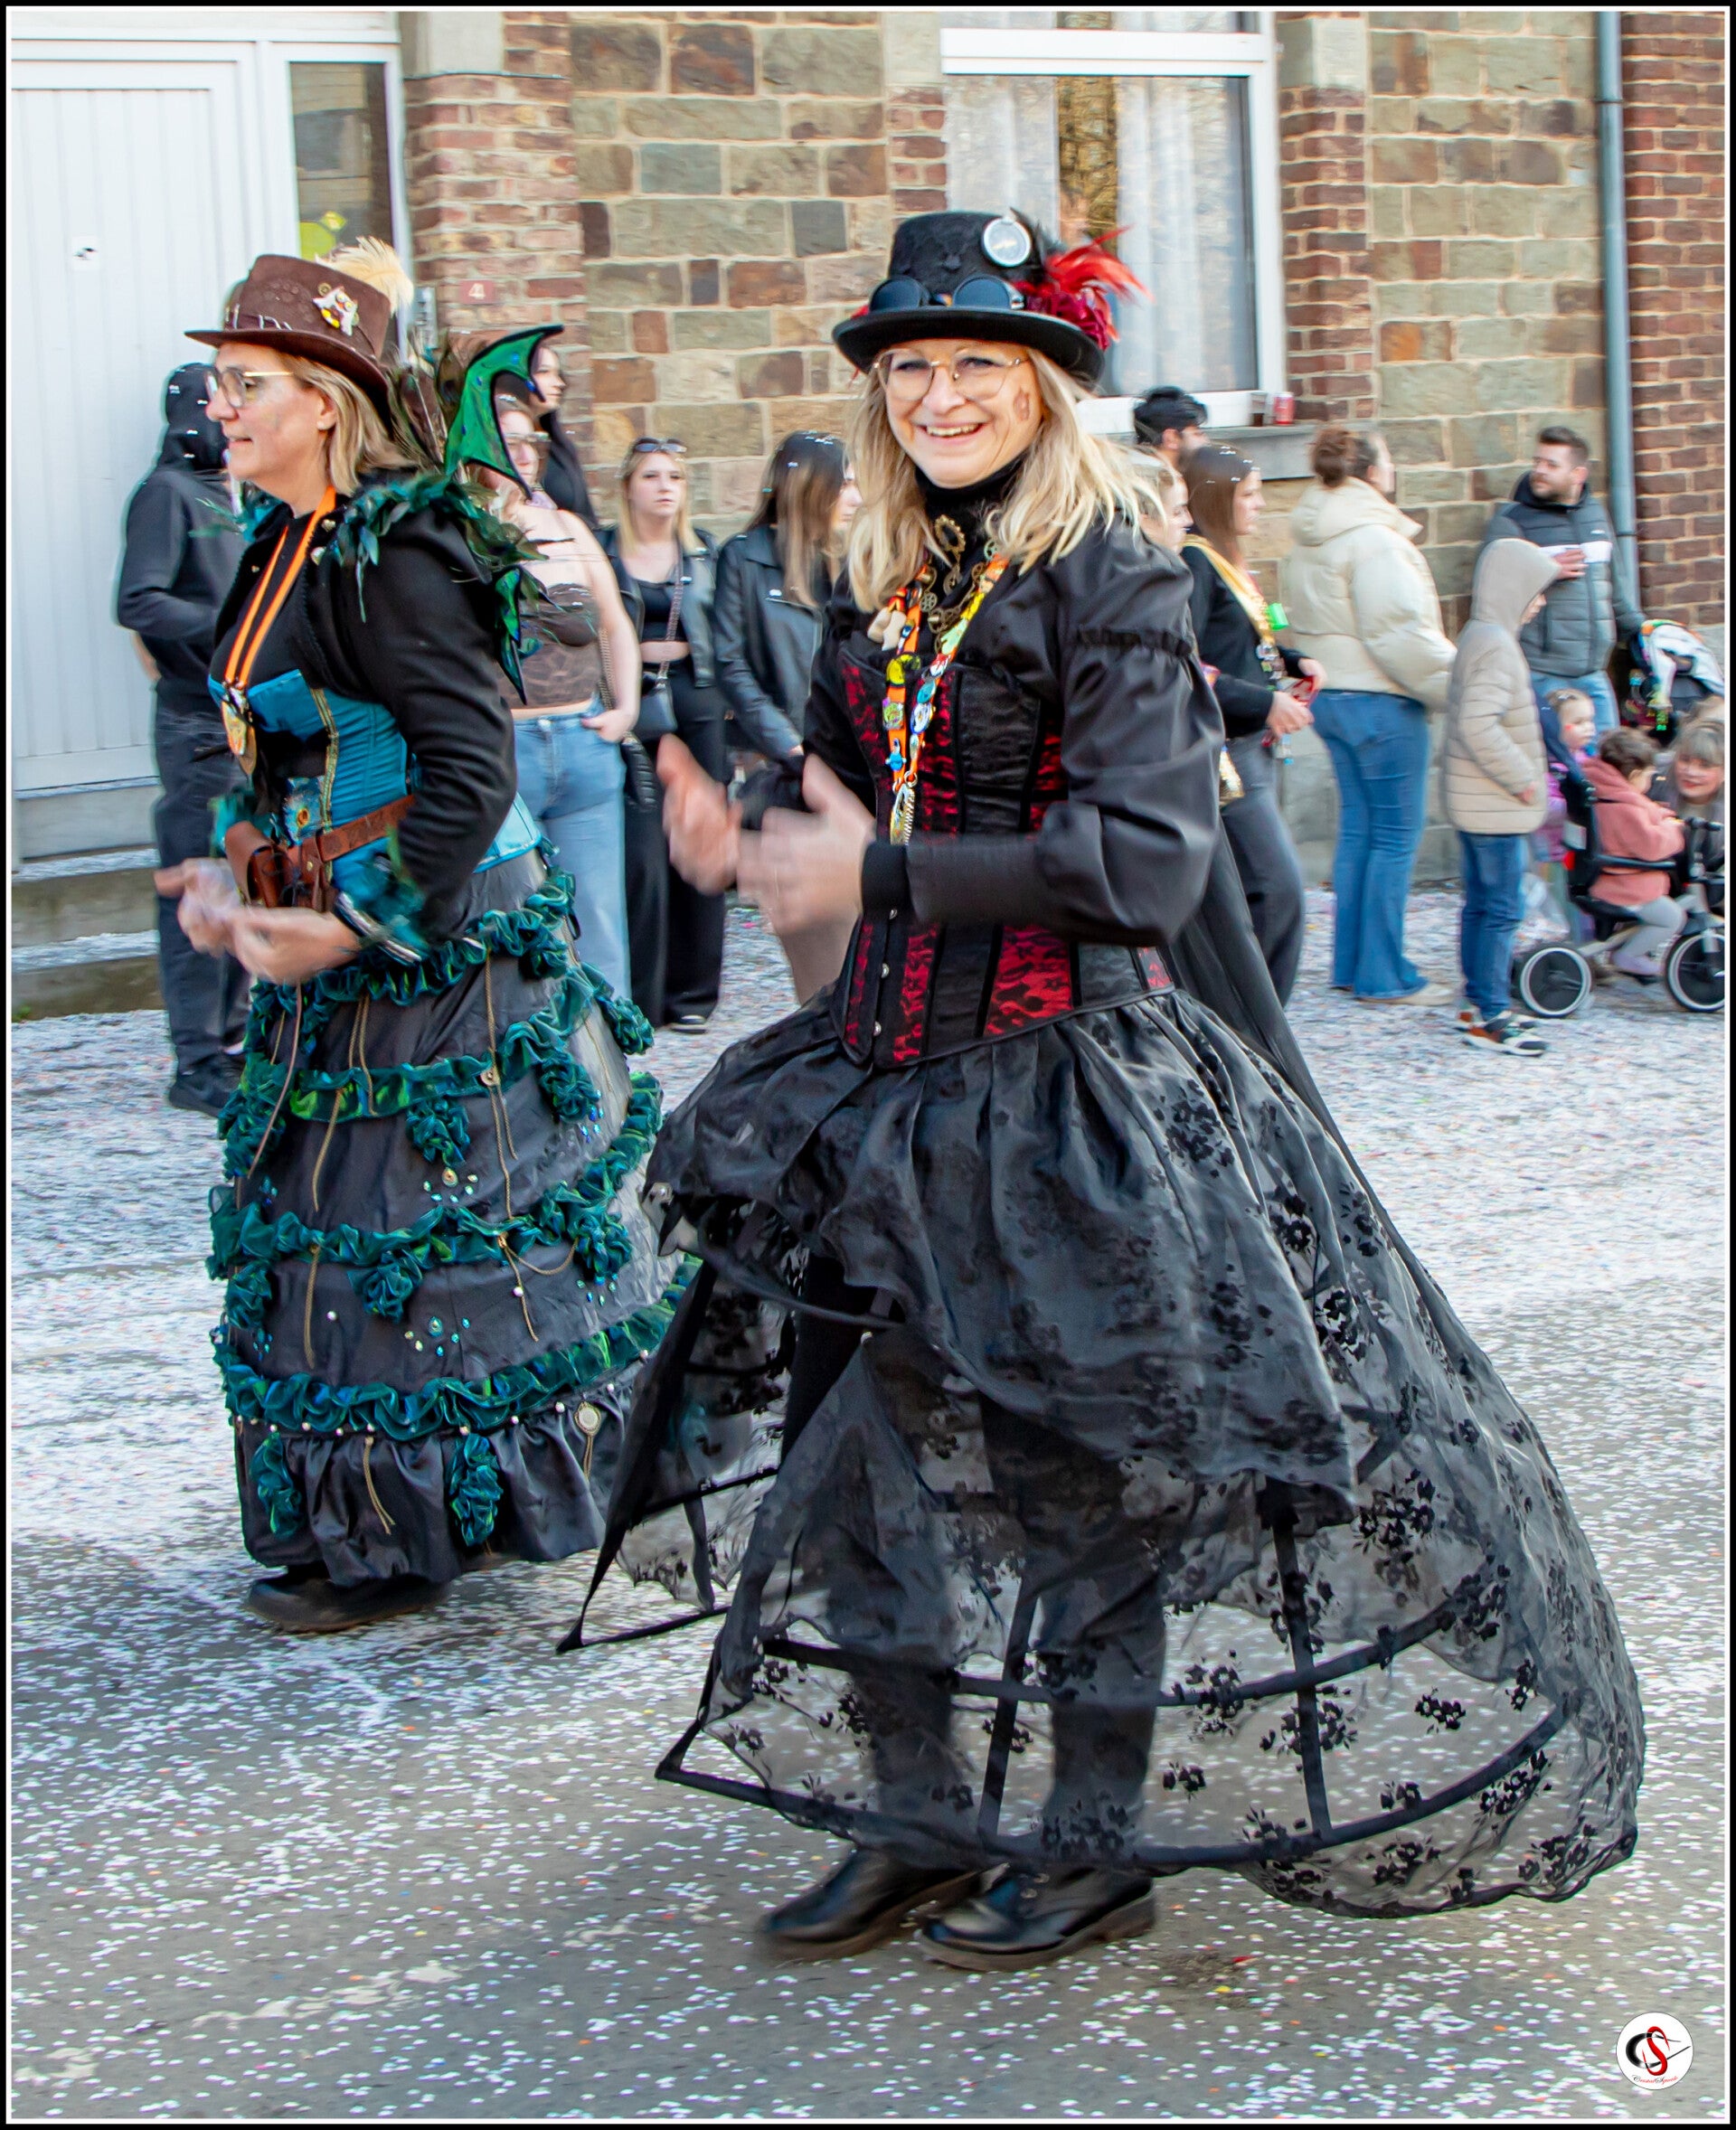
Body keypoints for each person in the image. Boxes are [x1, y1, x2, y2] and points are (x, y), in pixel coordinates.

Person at [581, 209, 1641, 1972]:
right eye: (911, 367)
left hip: (1060, 1092)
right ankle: (913, 1814)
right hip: (879, 1096)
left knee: (1078, 1485)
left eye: (976, 364)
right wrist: (744, 822)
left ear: (1046, 384)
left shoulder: (1115, 581)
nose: (937, 395)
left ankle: (1090, 1847)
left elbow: (1144, 864)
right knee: (864, 1471)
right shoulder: (896, 582)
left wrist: (881, 869)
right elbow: (840, 788)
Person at [163, 247, 679, 1631]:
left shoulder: (394, 552)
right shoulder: (279, 540)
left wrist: (351, 924)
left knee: (407, 1233)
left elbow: (468, 773)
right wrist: (237, 867)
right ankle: (355, 1522)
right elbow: (274, 745)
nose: (221, 405)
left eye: (249, 384)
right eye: (221, 381)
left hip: (440, 942)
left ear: (328, 401)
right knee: (322, 1226)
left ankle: (408, 1535)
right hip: (324, 935)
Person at [467, 372, 641, 997]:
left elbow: (614, 623)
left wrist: (626, 709)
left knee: (598, 925)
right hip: (505, 753)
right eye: (507, 442)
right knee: (512, 926)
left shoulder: (567, 528)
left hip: (582, 742)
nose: (522, 454)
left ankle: (614, 1054)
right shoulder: (457, 535)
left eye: (530, 442)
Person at [1279, 425, 1458, 1006]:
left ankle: (1352, 966)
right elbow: (1401, 636)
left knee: (1359, 830)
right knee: (1394, 838)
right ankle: (1384, 976)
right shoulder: (1376, 540)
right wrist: (1460, 686)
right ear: (1374, 473)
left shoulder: (1309, 533)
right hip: (1382, 701)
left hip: (1331, 696)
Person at [116, 363, 249, 1117]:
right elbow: (138, 601)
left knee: (241, 879)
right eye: (220, 401)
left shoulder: (228, 493)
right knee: (197, 883)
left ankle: (230, 1044)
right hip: (196, 725)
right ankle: (196, 1063)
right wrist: (224, 626)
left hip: (242, 724)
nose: (231, 414)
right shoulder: (167, 492)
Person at [1178, 442, 1314, 1004]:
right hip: (1226, 754)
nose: (1260, 505)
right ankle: (1262, 1024)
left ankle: (1246, 1018)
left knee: (1248, 895)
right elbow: (1188, 664)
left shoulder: (1222, 557)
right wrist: (1264, 703)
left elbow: (1240, 644)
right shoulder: (1195, 562)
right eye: (1250, 495)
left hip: (1250, 745)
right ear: (1218, 498)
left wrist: (1293, 661)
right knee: (1278, 892)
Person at [602, 440, 724, 1031]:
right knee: (643, 849)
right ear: (628, 486)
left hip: (694, 696)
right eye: (651, 476)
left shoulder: (704, 552)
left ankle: (695, 995)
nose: (664, 487)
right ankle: (643, 998)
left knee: (701, 834)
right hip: (627, 702)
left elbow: (730, 629)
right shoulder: (603, 550)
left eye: (674, 476)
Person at [1441, 539, 1561, 1054]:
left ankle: (1475, 1004)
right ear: (1513, 588)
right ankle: (1492, 1016)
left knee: (1481, 905)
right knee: (1502, 910)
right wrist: (1524, 779)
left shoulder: (1481, 635)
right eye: (1536, 592)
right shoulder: (1497, 646)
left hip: (1480, 803)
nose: (1541, 602)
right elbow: (1478, 724)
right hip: (1495, 804)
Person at [1477, 426, 1644, 737]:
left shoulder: (1596, 516)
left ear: (1578, 474)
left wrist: (1645, 633)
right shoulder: (1512, 521)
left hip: (1594, 675)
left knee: (1608, 758)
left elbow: (1616, 591)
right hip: (1543, 677)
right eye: (1537, 462)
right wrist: (1545, 570)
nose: (1539, 471)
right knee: (1555, 764)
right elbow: (1491, 595)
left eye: (1551, 465)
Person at [714, 432, 853, 768]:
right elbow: (729, 664)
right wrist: (787, 742)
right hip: (769, 755)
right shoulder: (743, 557)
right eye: (845, 485)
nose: (857, 498)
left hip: (840, 751)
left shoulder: (849, 561)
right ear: (812, 488)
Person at [1583, 729, 1689, 975]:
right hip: (1624, 886)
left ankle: (1626, 949)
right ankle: (1629, 955)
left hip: (1611, 878)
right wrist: (1675, 832)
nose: (1650, 782)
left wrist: (1661, 816)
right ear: (1634, 776)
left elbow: (1644, 813)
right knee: (1672, 918)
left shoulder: (1607, 793)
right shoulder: (1623, 807)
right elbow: (1651, 846)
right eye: (1649, 776)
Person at [525, 333, 599, 530]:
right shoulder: (498, 448)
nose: (559, 383)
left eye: (558, 374)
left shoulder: (559, 447)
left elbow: (587, 517)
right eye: (544, 372)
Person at [1131, 384, 1207, 468]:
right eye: (1197, 434)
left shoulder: (1132, 470)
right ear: (1171, 438)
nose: (1205, 441)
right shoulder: (1156, 475)